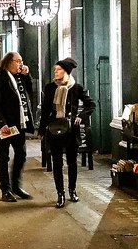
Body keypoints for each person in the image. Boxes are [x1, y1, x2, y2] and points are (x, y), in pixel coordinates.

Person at [38, 58, 95, 208]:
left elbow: (91, 104)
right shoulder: (50, 88)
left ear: (66, 72)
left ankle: (72, 190)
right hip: (54, 128)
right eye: (55, 69)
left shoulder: (76, 88)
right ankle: (60, 193)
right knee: (56, 163)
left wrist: (81, 117)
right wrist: (41, 130)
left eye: (58, 69)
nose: (55, 72)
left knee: (72, 162)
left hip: (70, 130)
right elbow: (44, 110)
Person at [0, 51, 36, 202]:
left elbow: (29, 92)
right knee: (3, 157)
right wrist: (1, 123)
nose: (20, 64)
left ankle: (16, 186)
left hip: (19, 124)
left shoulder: (19, 76)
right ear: (9, 62)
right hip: (5, 126)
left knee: (21, 154)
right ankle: (6, 190)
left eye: (21, 61)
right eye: (18, 61)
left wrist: (27, 75)